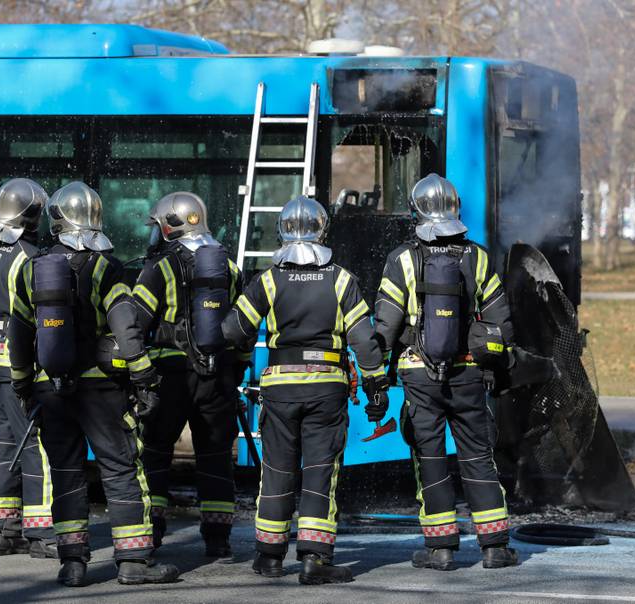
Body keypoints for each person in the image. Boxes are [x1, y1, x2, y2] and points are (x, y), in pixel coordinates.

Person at [8, 181, 179, 587]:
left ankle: (72, 563)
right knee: (120, 469)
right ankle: (135, 561)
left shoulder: (31, 268)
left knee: (66, 473)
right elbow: (126, 326)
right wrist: (143, 374)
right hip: (102, 390)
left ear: (55, 219)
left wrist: (22, 384)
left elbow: (18, 333)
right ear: (95, 219)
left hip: (52, 389)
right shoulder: (106, 267)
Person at [222, 195, 388, 585]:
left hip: (279, 388)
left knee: (277, 469)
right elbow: (364, 342)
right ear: (322, 230)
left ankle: (269, 556)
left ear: (281, 231)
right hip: (327, 388)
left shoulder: (268, 279)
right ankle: (315, 558)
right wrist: (375, 384)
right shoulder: (341, 279)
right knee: (319, 471)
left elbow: (233, 331)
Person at [373, 173, 518, 571]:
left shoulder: (403, 258)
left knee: (430, 457)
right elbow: (501, 321)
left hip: (419, 376)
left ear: (416, 211)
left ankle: (440, 549)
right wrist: (497, 371)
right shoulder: (478, 256)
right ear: (455, 208)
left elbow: (385, 324)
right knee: (477, 456)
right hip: (469, 374)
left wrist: (375, 373)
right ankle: (495, 547)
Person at [129, 191, 246, 557]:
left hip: (171, 372)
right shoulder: (229, 266)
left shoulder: (159, 267)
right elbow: (242, 326)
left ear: (168, 226)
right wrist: (234, 370)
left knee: (157, 451)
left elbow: (136, 321)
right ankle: (217, 538)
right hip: (218, 374)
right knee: (214, 454)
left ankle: (152, 530)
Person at [0, 178, 56, 559]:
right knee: (36, 447)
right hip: (18, 365)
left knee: (2, 446)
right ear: (34, 216)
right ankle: (42, 535)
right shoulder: (30, 258)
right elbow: (34, 319)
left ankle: (2, 533)